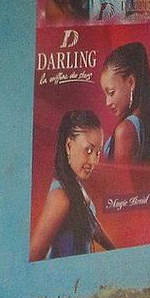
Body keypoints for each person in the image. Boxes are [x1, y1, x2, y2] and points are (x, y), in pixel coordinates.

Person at [30, 109, 116, 261]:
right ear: (69, 146)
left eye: (97, 152)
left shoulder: (75, 186)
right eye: (88, 150)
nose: (94, 161)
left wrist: (116, 252)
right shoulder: (61, 197)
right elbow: (34, 256)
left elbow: (92, 224)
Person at [98, 41, 150, 163]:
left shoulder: (126, 129)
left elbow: (119, 180)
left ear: (131, 82)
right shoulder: (144, 118)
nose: (107, 102)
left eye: (111, 92)